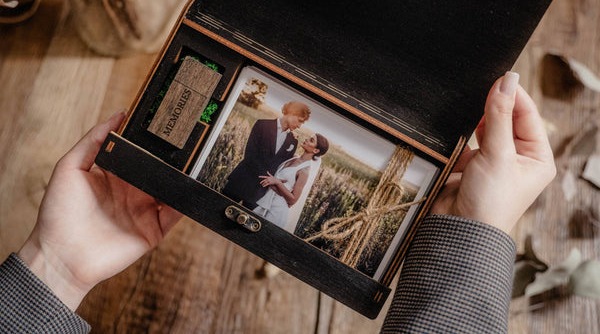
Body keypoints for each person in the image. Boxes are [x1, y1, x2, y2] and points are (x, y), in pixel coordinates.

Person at [0, 71, 556, 333]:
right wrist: (478, 237)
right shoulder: (274, 132)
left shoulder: (304, 158)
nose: (305, 136)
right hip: (254, 192)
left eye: (311, 136)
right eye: (305, 130)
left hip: (274, 202)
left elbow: (294, 186)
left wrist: (51, 271)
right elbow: (259, 157)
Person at [221, 101, 311, 209]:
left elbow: (282, 167)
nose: (299, 126)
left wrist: (279, 183)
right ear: (292, 113)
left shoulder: (293, 141)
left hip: (260, 192)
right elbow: (250, 154)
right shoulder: (262, 125)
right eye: (299, 121)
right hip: (241, 181)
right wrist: (267, 177)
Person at [254, 133, 329, 229]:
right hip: (265, 201)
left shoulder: (304, 171)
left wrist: (277, 182)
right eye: (309, 137)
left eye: (311, 140)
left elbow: (293, 200)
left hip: (277, 211)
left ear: (316, 150)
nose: (306, 139)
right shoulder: (294, 157)